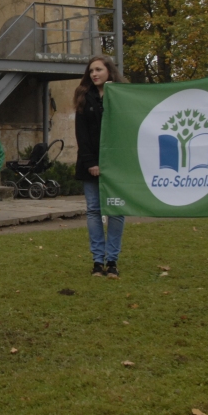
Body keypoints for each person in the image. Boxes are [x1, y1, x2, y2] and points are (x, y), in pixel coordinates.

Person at [73, 56, 125, 278]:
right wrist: (91, 162)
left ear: (109, 72)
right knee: (94, 210)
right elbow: (81, 134)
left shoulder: (122, 96)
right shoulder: (84, 98)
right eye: (91, 70)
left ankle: (112, 260)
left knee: (116, 212)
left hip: (117, 165)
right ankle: (97, 261)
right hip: (91, 163)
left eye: (99, 69)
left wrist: (114, 97)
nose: (94, 74)